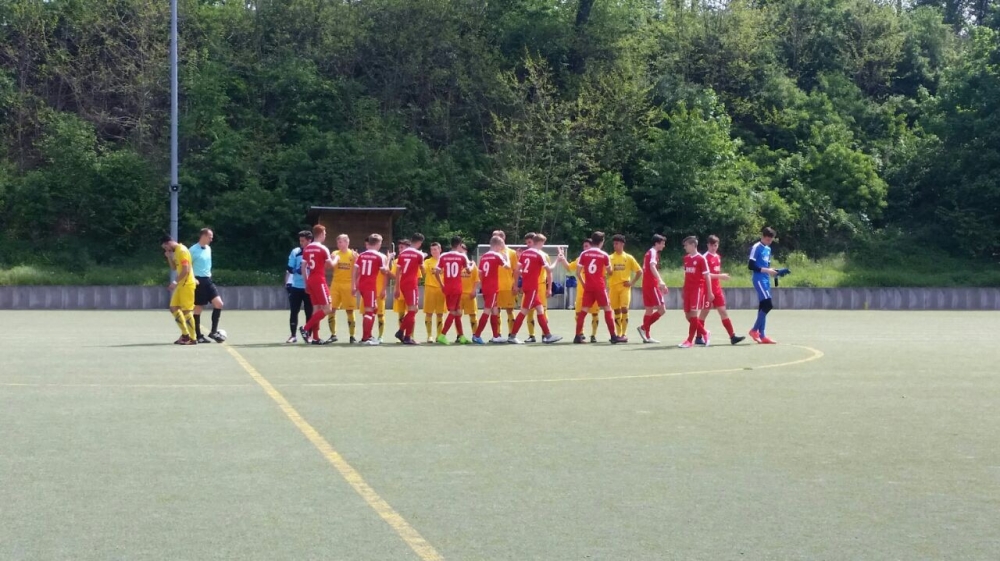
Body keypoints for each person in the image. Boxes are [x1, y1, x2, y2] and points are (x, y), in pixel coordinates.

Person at [509, 233, 563, 344]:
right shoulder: (540, 254)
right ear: (540, 242)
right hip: (533, 287)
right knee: (524, 311)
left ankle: (548, 335)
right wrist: (557, 260)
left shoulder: (524, 253)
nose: (543, 245)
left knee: (540, 309)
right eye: (543, 243)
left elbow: (517, 270)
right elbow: (549, 270)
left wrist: (516, 284)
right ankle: (512, 336)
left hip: (527, 285)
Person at [571, 232, 622, 344]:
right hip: (600, 287)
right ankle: (613, 336)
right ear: (602, 241)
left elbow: (578, 272)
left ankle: (577, 336)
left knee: (583, 311)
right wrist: (610, 270)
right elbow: (609, 271)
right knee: (607, 310)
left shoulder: (584, 254)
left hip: (588, 287)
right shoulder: (604, 255)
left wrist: (584, 284)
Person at [698, 235, 746, 346]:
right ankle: (698, 337)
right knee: (704, 313)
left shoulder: (718, 257)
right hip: (707, 289)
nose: (713, 247)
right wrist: (720, 276)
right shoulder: (704, 258)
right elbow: (705, 275)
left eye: (715, 245)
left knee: (723, 312)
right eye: (711, 245)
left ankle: (732, 336)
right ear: (708, 245)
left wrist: (719, 278)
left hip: (717, 290)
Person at [299, 225, 338, 344]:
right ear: (321, 234)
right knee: (328, 308)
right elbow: (330, 265)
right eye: (325, 233)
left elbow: (303, 267)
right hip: (319, 280)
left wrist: (306, 283)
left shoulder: (307, 248)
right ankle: (305, 328)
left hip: (311, 279)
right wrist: (336, 258)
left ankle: (315, 337)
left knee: (316, 309)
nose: (325, 235)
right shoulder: (323, 248)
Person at [434, 236, 474, 345]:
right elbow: (469, 271)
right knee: (453, 312)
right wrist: (472, 265)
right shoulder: (462, 256)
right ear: (460, 245)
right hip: (457, 288)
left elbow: (436, 272)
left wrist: (442, 285)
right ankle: (442, 335)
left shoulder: (443, 256)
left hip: (447, 287)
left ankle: (461, 336)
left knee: (457, 312)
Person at [352, 234, 390, 345]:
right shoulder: (380, 256)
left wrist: (353, 285)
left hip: (362, 284)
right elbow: (384, 271)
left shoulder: (362, 255)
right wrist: (388, 260)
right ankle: (365, 338)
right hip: (370, 286)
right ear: (378, 243)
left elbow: (355, 270)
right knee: (369, 310)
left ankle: (368, 335)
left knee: (374, 308)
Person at [189, 228, 225, 344]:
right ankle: (198, 335)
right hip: (198, 281)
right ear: (203, 236)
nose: (211, 239)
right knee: (198, 308)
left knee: (219, 304)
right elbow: (187, 266)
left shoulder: (208, 248)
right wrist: (193, 278)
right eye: (210, 237)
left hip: (208, 280)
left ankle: (213, 332)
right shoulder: (192, 250)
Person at [472, 235, 510, 344]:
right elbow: (507, 266)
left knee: (495, 310)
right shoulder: (497, 255)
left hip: (487, 286)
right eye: (501, 246)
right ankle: (477, 335)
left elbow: (480, 272)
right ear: (497, 245)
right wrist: (506, 257)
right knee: (487, 310)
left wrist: (482, 285)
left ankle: (495, 336)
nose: (501, 248)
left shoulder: (484, 256)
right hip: (492, 287)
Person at [161, 235, 198, 345]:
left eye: (166, 247)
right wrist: (169, 257)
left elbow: (185, 270)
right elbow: (174, 268)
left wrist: (175, 282)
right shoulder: (176, 251)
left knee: (186, 311)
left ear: (169, 243)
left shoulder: (182, 250)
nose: (166, 249)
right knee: (173, 307)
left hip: (187, 284)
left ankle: (193, 338)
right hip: (181, 285)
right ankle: (185, 335)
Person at [748, 227, 780, 344]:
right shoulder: (756, 247)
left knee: (763, 306)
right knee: (768, 305)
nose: (769, 242)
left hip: (766, 280)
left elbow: (767, 266)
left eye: (771, 240)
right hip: (759, 279)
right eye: (767, 239)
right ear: (762, 237)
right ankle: (754, 330)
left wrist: (773, 271)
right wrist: (767, 270)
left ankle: (762, 335)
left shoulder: (768, 249)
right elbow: (751, 266)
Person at [679, 236, 712, 348]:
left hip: (697, 290)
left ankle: (689, 341)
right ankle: (704, 332)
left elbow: (707, 276)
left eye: (686, 245)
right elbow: (686, 275)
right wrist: (683, 289)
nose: (685, 247)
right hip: (687, 290)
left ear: (693, 245)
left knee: (693, 315)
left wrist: (710, 292)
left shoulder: (701, 259)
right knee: (688, 316)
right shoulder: (686, 258)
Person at [565, 239, 601, 343]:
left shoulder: (598, 258)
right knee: (578, 314)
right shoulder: (580, 259)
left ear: (591, 246)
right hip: (582, 292)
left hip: (594, 291)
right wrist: (562, 258)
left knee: (595, 314)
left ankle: (593, 335)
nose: (584, 248)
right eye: (584, 246)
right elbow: (569, 267)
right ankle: (580, 333)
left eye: (586, 246)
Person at [608, 234, 642, 342]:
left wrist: (631, 282)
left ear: (622, 244)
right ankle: (618, 334)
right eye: (614, 244)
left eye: (617, 243)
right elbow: (606, 273)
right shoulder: (610, 258)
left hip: (624, 287)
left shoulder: (628, 257)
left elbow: (639, 271)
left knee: (624, 308)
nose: (615, 245)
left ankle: (624, 334)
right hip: (613, 287)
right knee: (616, 310)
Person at [393, 236, 425, 345]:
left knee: (413, 310)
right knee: (413, 310)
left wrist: (397, 287)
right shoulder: (419, 254)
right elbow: (423, 270)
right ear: (419, 243)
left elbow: (398, 271)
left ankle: (405, 335)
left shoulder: (402, 254)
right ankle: (403, 333)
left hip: (403, 283)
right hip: (411, 284)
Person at [327, 234, 359, 344]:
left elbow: (359, 271)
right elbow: (329, 266)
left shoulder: (353, 255)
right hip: (336, 285)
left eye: (341, 242)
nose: (339, 244)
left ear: (347, 242)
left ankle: (352, 336)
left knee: (349, 310)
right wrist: (331, 259)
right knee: (331, 309)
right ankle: (333, 335)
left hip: (348, 285)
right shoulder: (335, 254)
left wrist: (355, 285)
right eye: (338, 242)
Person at [636, 234, 668, 344]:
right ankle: (643, 328)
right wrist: (660, 281)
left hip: (646, 284)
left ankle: (647, 336)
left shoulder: (648, 253)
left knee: (649, 310)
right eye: (662, 243)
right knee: (662, 310)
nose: (664, 246)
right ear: (656, 243)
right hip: (652, 285)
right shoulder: (653, 252)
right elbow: (652, 266)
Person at [284, 230, 314, 344]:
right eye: (300, 241)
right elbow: (289, 268)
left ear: (309, 241)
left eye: (303, 241)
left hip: (309, 287)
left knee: (309, 312)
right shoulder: (295, 251)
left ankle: (309, 335)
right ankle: (293, 335)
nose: (301, 243)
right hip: (296, 286)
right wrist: (296, 270)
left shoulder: (314, 252)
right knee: (294, 311)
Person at [523, 232, 553, 343]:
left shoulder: (544, 255)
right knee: (529, 311)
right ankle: (531, 335)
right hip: (530, 286)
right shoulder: (526, 254)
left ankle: (545, 335)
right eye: (526, 243)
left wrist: (549, 288)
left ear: (534, 242)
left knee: (543, 311)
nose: (528, 245)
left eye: (529, 242)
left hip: (540, 286)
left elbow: (549, 273)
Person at [492, 230, 519, 336]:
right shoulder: (491, 253)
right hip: (495, 287)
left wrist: (515, 285)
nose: (494, 239)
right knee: (495, 311)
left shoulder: (511, 253)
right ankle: (497, 334)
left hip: (508, 286)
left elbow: (516, 270)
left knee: (510, 310)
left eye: (497, 237)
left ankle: (512, 334)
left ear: (503, 238)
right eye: (493, 237)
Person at [422, 242, 446, 342]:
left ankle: (439, 335)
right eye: (432, 250)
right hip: (430, 288)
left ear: (440, 250)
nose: (433, 251)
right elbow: (423, 271)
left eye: (435, 249)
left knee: (440, 313)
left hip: (441, 289)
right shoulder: (427, 261)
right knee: (429, 313)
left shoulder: (444, 260)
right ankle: (429, 336)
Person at [458, 244, 480, 339]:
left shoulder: (472, 264)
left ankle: (475, 335)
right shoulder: (456, 264)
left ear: (466, 251)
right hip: (459, 294)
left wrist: (474, 291)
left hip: (469, 294)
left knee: (473, 314)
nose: (460, 253)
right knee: (458, 315)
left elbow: (477, 279)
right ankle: (460, 335)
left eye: (461, 251)